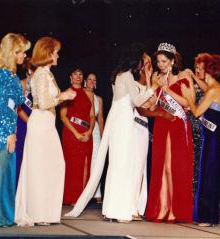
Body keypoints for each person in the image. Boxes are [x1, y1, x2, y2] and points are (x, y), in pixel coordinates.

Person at [65, 43, 157, 222]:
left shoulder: (120, 75)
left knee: (118, 163)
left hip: (119, 120)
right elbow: (138, 101)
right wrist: (152, 87)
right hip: (123, 121)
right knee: (123, 164)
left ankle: (112, 208)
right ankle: (118, 210)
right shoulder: (127, 75)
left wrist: (147, 79)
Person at [15, 37, 76, 226]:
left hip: (47, 124)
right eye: (56, 51)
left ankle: (45, 212)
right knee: (42, 167)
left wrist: (60, 96)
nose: (57, 55)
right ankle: (38, 213)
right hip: (41, 122)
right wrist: (63, 96)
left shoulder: (46, 74)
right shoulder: (41, 73)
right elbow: (41, 103)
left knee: (52, 165)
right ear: (48, 53)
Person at [145, 43, 194, 223]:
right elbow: (152, 103)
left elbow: (188, 104)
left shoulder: (183, 77)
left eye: (164, 61)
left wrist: (166, 89)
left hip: (177, 125)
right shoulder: (157, 77)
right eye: (158, 61)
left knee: (173, 167)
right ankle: (162, 207)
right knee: (162, 166)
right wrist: (152, 85)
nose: (161, 65)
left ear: (172, 61)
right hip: (161, 124)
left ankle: (173, 209)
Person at [182, 53, 220, 226]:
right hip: (210, 134)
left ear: (208, 70)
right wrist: (193, 77)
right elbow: (204, 87)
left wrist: (189, 97)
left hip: (213, 136)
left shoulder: (214, 89)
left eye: (199, 68)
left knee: (209, 174)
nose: (197, 70)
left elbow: (197, 112)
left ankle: (207, 217)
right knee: (208, 173)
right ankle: (208, 215)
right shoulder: (211, 86)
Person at [0, 33, 30, 227]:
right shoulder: (4, 76)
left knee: (3, 176)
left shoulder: (8, 74)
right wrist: (10, 133)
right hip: (2, 134)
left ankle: (3, 217)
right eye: (21, 52)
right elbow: (3, 107)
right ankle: (0, 218)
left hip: (4, 131)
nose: (24, 56)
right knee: (2, 177)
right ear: (12, 52)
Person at [61, 69, 95, 205]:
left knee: (86, 164)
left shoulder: (89, 94)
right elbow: (63, 116)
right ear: (70, 77)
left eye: (81, 74)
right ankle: (70, 198)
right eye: (75, 74)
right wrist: (76, 134)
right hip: (71, 131)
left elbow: (92, 115)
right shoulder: (66, 93)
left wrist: (90, 131)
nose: (78, 76)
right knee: (72, 164)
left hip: (87, 131)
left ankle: (82, 198)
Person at [84, 73, 104, 203]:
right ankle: (83, 190)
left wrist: (103, 136)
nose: (92, 82)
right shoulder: (80, 94)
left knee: (96, 159)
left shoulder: (99, 99)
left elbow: (100, 118)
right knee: (85, 160)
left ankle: (96, 192)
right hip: (82, 126)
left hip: (95, 129)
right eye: (90, 79)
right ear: (85, 81)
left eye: (94, 80)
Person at [15, 58, 36, 186]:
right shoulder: (22, 84)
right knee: (21, 155)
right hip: (23, 124)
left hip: (35, 124)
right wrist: (30, 123)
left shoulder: (39, 85)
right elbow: (18, 108)